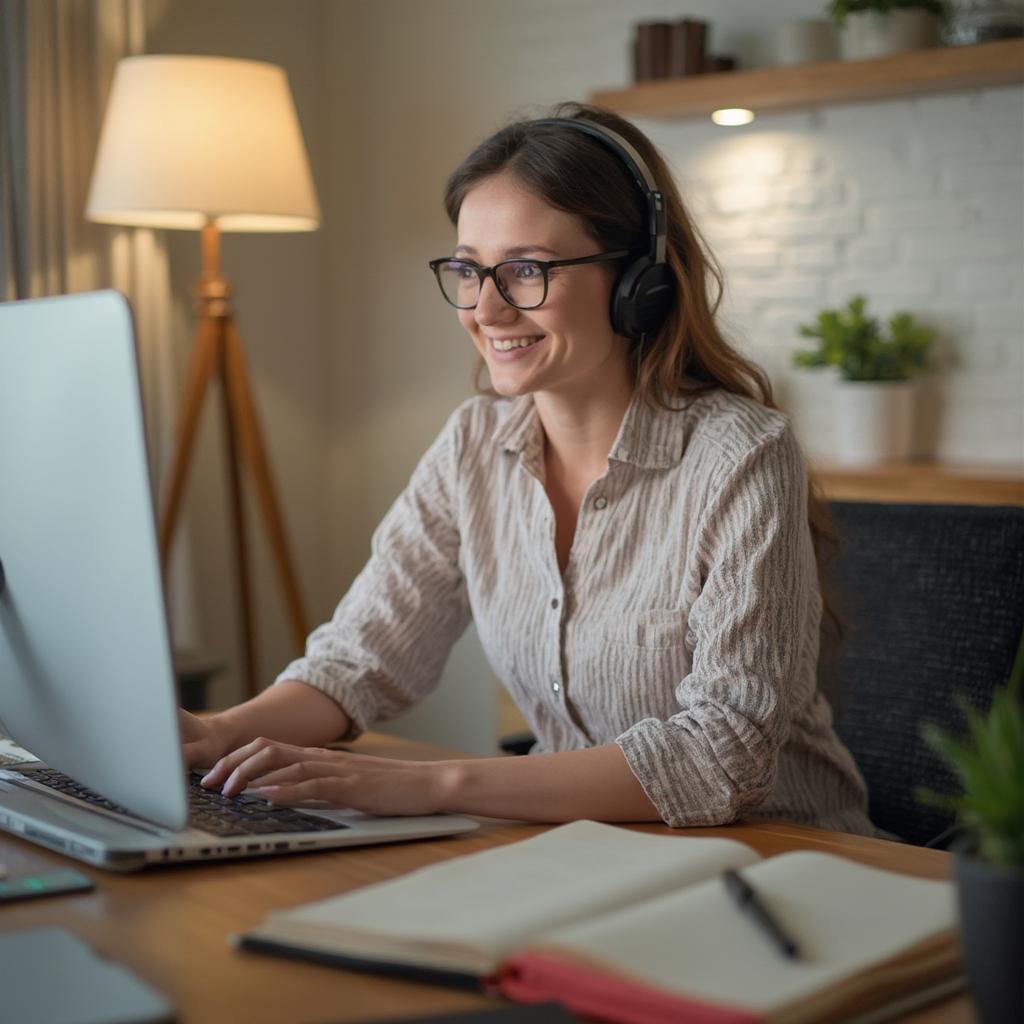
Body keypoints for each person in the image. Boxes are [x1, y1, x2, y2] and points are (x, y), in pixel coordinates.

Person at [182, 103, 873, 836]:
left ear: (640, 281)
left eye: (525, 270)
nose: (486, 308)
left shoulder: (740, 456)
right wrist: (220, 732)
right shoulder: (474, 445)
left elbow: (723, 754)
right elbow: (362, 658)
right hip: (581, 850)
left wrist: (433, 783)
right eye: (468, 271)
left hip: (785, 858)